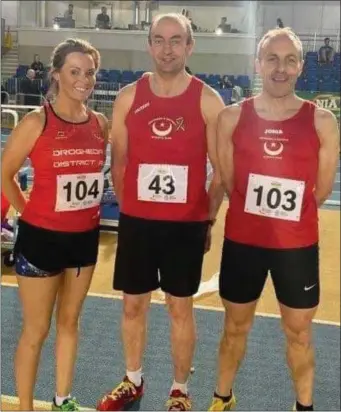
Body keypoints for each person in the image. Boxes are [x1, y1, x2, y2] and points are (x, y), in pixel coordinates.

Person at [96, 12, 225, 412]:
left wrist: (207, 217)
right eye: (159, 39)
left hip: (185, 226)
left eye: (175, 40)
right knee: (132, 304)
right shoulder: (129, 97)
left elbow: (222, 170)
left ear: (190, 46)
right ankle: (133, 379)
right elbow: (118, 162)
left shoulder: (208, 100)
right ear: (149, 44)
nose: (166, 48)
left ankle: (180, 390)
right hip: (138, 224)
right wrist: (132, 208)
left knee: (179, 306)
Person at [208, 27, 340, 411]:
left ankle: (304, 406)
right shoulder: (232, 118)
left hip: (296, 247)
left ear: (301, 67)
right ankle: (222, 398)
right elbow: (230, 181)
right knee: (234, 328)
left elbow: (323, 190)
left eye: (290, 60)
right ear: (258, 63)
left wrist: (285, 219)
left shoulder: (322, 122)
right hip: (243, 242)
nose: (280, 68)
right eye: (272, 59)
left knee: (298, 332)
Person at [1, 38, 109, 411]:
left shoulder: (100, 124)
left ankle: (63, 399)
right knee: (36, 331)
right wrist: (27, 211)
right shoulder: (36, 121)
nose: (83, 80)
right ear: (58, 74)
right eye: (75, 72)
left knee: (69, 323)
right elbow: (5, 174)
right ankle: (26, 407)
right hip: (40, 242)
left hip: (84, 241)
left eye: (90, 72)